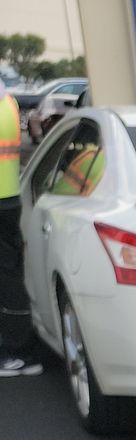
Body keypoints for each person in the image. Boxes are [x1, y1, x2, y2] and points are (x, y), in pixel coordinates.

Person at [0, 77, 42, 377]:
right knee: (10, 277)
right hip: (9, 199)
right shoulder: (9, 103)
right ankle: (18, 349)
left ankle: (10, 353)